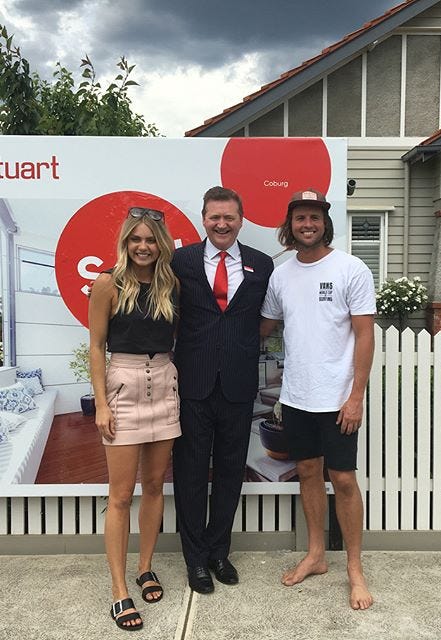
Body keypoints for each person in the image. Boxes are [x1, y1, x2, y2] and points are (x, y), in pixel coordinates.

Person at [260, 189, 376, 610]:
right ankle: (315, 556)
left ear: (325, 223)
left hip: (339, 398)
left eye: (314, 218)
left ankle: (355, 570)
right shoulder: (281, 275)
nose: (307, 224)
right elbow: (265, 326)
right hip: (296, 397)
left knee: (343, 479)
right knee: (307, 472)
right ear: (289, 226)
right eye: (299, 218)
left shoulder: (351, 268)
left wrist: (356, 395)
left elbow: (365, 335)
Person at [171, 186, 274, 594]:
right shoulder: (181, 261)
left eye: (229, 217)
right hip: (192, 384)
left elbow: (265, 320)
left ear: (241, 220)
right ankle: (194, 560)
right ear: (203, 219)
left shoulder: (261, 265)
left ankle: (218, 552)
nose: (222, 223)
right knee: (191, 473)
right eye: (215, 216)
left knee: (231, 472)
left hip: (237, 384)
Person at [89, 207, 181, 631]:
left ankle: (145, 567)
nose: (143, 247)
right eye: (135, 239)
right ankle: (118, 589)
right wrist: (103, 403)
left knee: (156, 485)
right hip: (123, 384)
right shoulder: (108, 283)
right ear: (126, 242)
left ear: (160, 245)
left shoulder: (170, 284)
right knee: (121, 495)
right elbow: (96, 347)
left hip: (164, 381)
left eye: (150, 240)